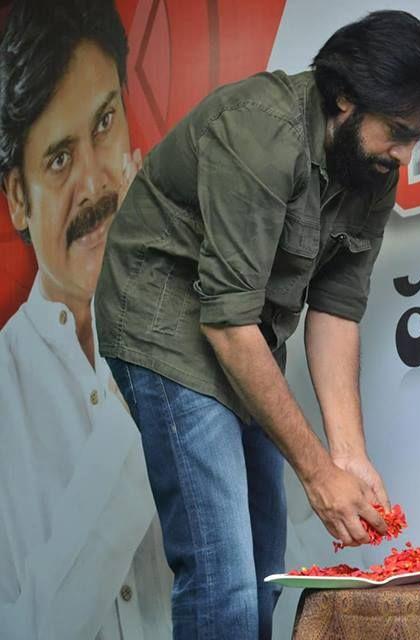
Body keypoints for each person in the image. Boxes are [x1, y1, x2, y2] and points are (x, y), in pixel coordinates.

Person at [94, 10, 420, 638]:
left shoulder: (373, 167)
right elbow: (226, 322)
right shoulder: (258, 132)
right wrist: (318, 474)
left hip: (240, 330)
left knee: (264, 568)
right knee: (224, 577)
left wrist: (347, 456)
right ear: (345, 97)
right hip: (165, 321)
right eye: (399, 132)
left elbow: (336, 306)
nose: (407, 154)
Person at [0, 1, 172, 638]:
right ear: (18, 197)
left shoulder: (221, 325)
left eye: (104, 123)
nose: (97, 181)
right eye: (59, 159)